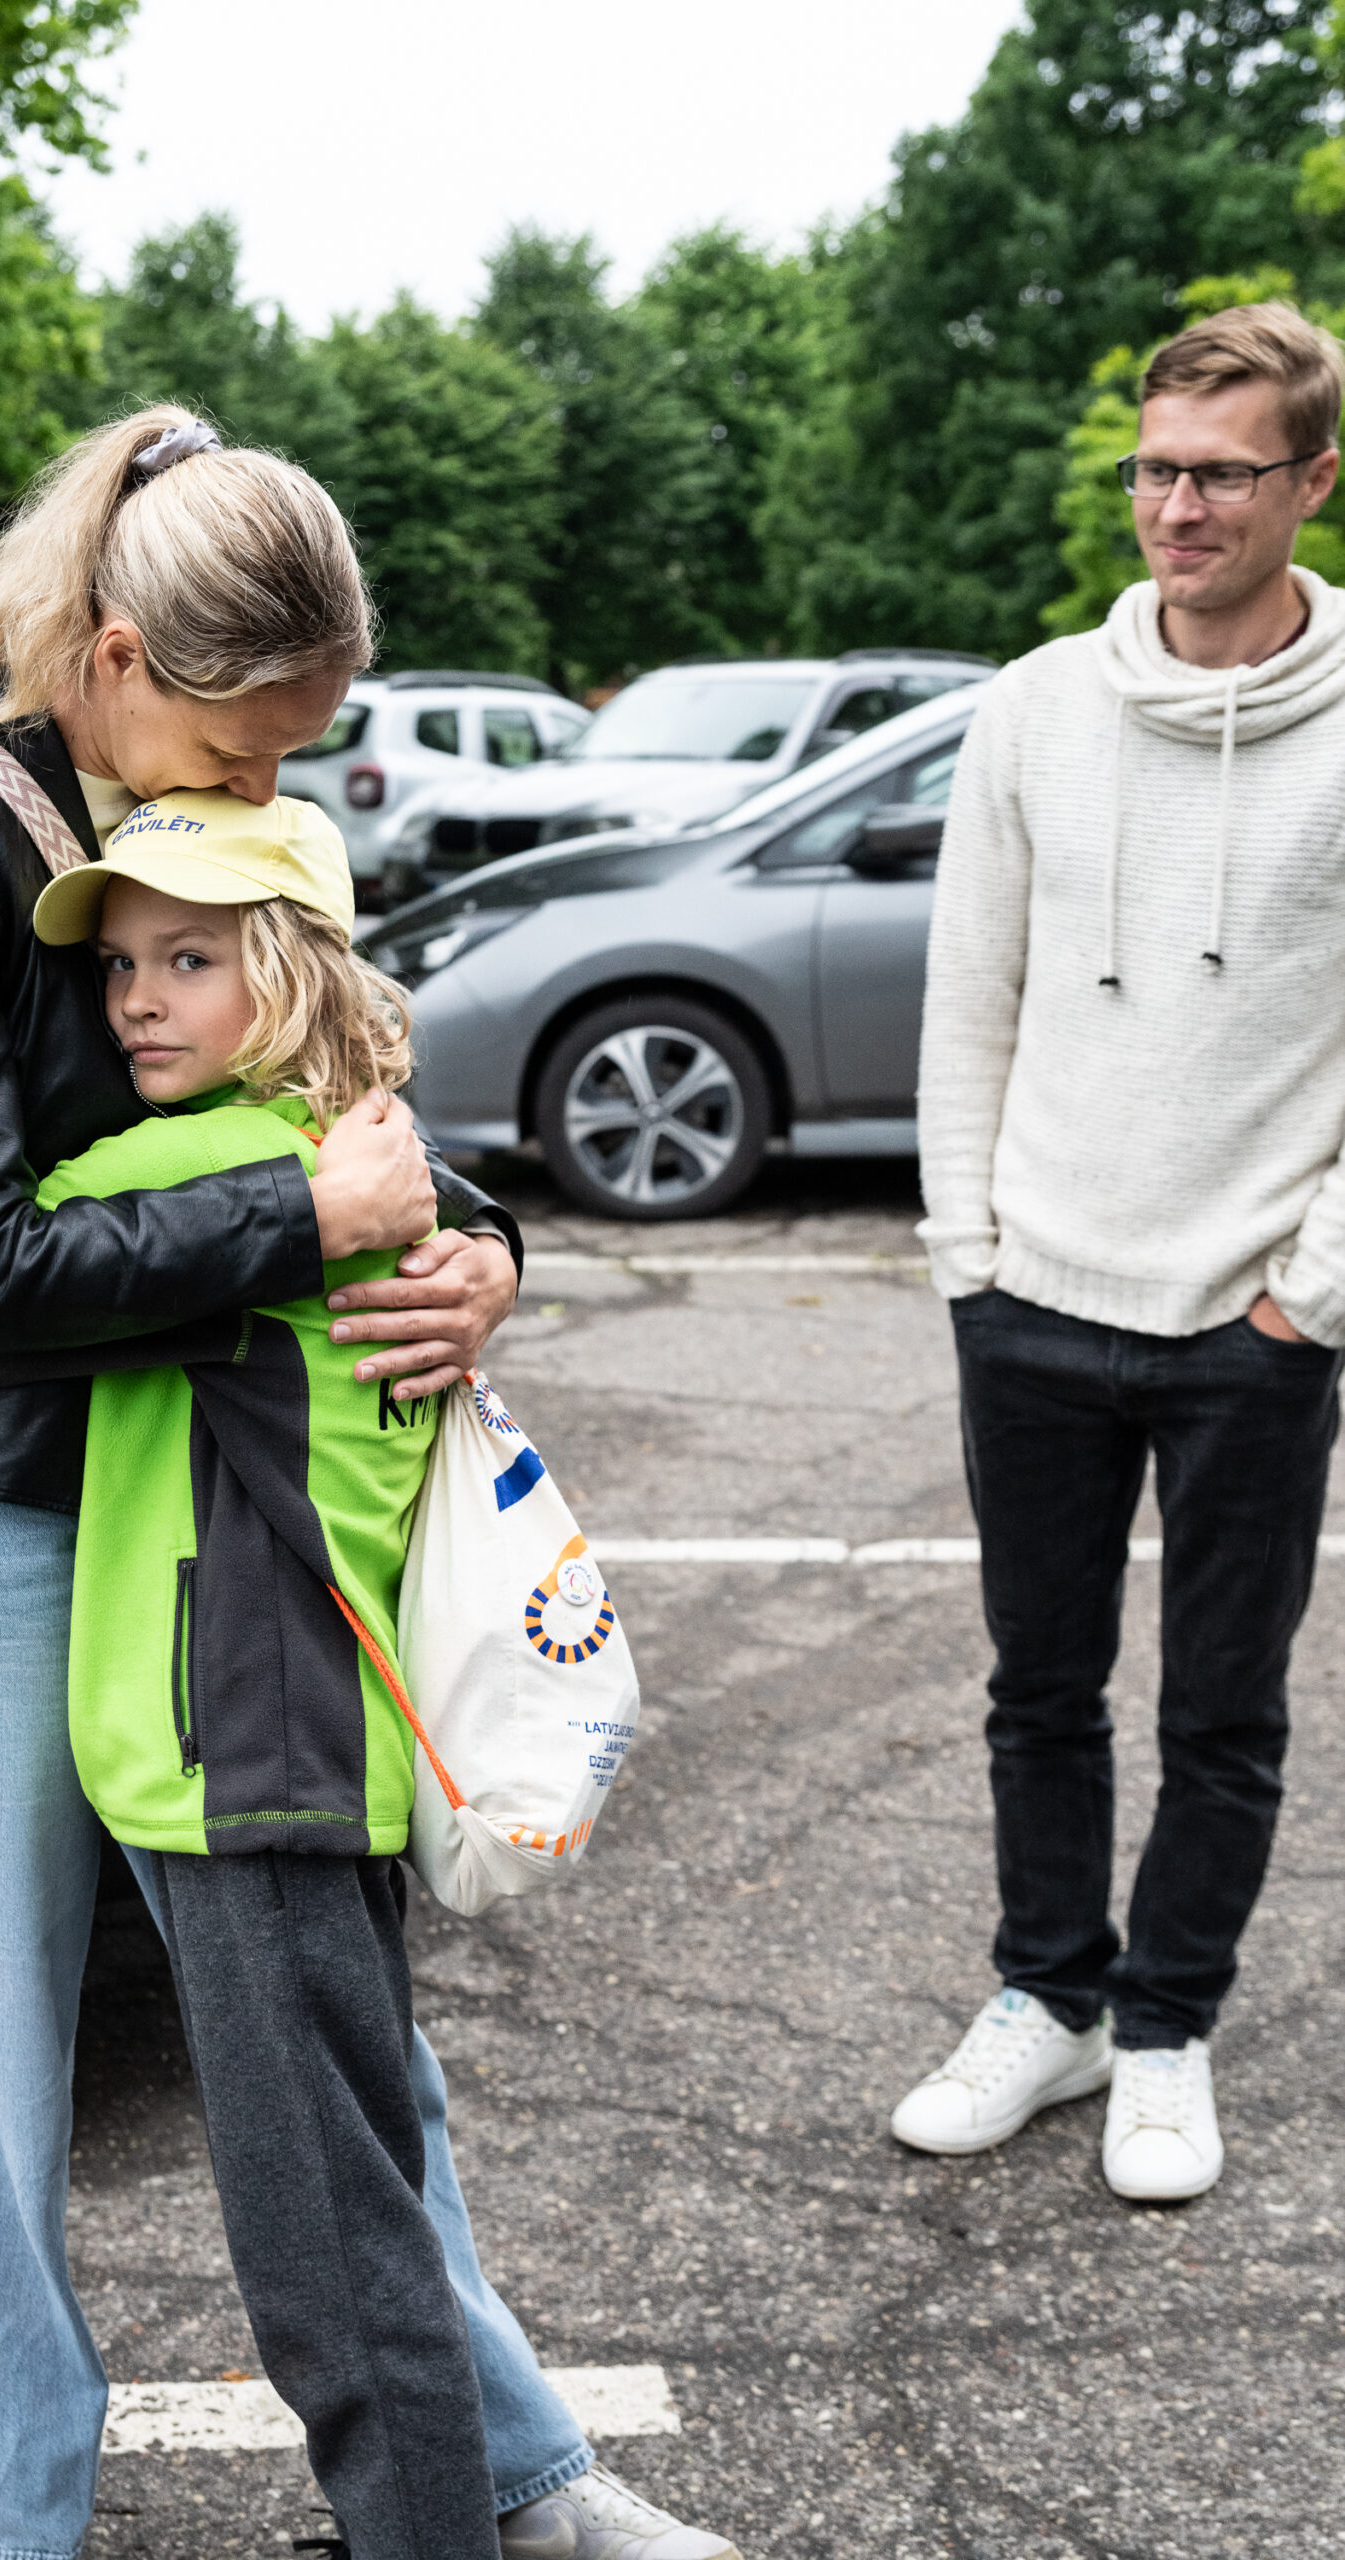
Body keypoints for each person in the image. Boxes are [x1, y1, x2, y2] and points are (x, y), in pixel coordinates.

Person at [0, 407, 737, 2560]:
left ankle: (510, 2468)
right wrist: (307, 1227)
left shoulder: (187, 800)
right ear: (121, 657)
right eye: (242, 751)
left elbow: (319, 1076)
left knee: (336, 2040)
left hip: (200, 1500)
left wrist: (479, 1246)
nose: (260, 792)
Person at [897, 302, 1345, 2204]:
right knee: (1040, 1690)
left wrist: (1311, 1292)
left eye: (1223, 474)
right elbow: (968, 993)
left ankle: (1166, 2032)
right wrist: (969, 1253)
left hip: (1255, 1315)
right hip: (1036, 1298)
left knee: (1223, 1712)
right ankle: (1052, 1999)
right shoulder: (1033, 708)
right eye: (1156, 468)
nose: (1178, 506)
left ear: (1312, 481)